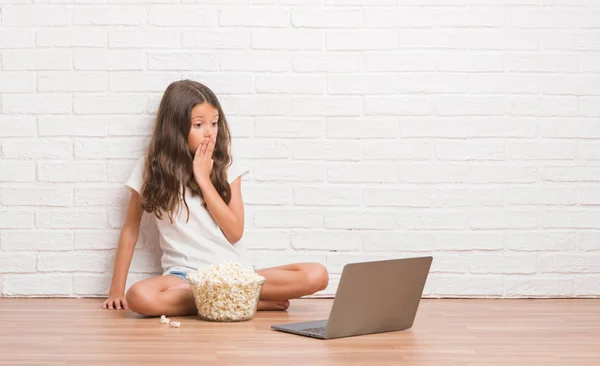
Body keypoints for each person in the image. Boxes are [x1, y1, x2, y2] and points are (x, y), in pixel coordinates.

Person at [101, 80, 329, 317]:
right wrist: (116, 290)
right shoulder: (150, 168)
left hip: (234, 274)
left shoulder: (227, 165)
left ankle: (229, 297)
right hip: (185, 279)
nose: (210, 132)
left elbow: (234, 231)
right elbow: (130, 228)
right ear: (175, 128)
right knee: (139, 296)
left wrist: (203, 179)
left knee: (316, 274)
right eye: (199, 125)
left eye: (214, 123)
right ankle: (243, 301)